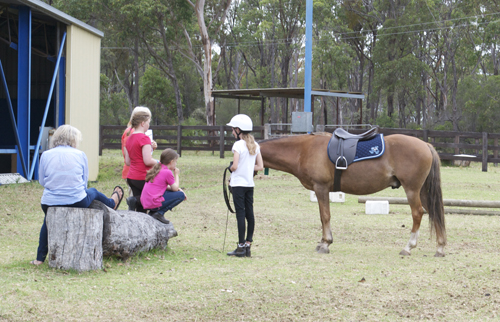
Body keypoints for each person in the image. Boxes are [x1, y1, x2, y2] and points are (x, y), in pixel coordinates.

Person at [30, 125, 124, 266]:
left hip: (49, 202)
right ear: (74, 139)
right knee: (93, 191)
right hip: (76, 200)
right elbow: (84, 183)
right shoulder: (80, 155)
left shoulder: (46, 155)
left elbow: (42, 181)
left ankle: (39, 259)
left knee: (47, 222)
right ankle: (112, 203)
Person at [226, 114, 264, 257]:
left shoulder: (237, 145)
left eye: (233, 129)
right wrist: (248, 168)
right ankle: (248, 245)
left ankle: (240, 246)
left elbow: (234, 166)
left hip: (238, 185)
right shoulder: (255, 145)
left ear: (238, 130)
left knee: (240, 214)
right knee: (250, 213)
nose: (232, 132)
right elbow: (260, 166)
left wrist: (230, 168)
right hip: (249, 184)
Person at [123, 108, 158, 213]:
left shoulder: (128, 138)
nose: (149, 125)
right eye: (148, 123)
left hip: (132, 177)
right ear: (142, 123)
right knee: (153, 199)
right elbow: (147, 161)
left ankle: (134, 201)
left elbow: (128, 161)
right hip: (142, 176)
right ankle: (133, 200)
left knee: (141, 208)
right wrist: (158, 162)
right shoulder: (144, 138)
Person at [140, 148, 186, 224]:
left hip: (146, 202)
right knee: (181, 195)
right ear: (171, 162)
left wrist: (178, 189)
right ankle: (159, 213)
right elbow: (175, 188)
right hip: (153, 203)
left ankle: (153, 213)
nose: (176, 164)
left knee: (174, 192)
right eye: (176, 162)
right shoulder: (167, 172)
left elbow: (162, 186)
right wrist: (176, 174)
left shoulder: (158, 168)